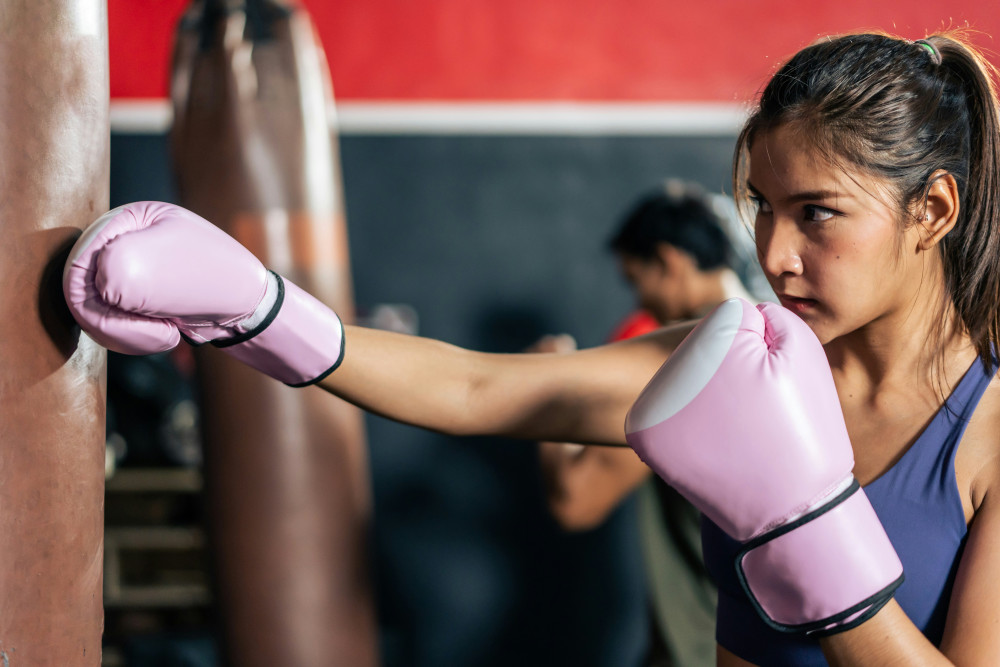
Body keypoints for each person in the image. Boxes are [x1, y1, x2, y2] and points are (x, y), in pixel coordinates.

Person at [64, 29, 1000, 665]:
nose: (775, 253)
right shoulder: (740, 363)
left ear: (933, 209)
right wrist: (262, 310)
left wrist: (811, 533)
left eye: (818, 213)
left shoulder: (990, 431)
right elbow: (477, 389)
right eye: (765, 207)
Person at [534, 181, 760, 667]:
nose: (641, 303)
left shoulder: (682, 360)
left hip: (701, 647)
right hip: (763, 638)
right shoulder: (773, 337)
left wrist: (549, 382)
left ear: (669, 262)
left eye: (638, 280)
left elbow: (576, 502)